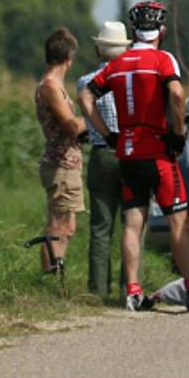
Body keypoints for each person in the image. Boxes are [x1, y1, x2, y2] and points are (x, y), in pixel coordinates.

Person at [80, 0, 189, 312]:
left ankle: (133, 292)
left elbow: (85, 95)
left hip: (128, 152)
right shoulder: (163, 59)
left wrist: (108, 134)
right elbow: (176, 93)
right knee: (180, 222)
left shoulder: (118, 64)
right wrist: (178, 132)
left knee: (132, 223)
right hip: (159, 151)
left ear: (134, 30)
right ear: (161, 31)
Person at [76, 20, 132, 297]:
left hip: (101, 152)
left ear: (99, 49)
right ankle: (129, 285)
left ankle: (97, 288)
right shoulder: (131, 80)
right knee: (132, 224)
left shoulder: (85, 81)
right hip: (132, 151)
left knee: (101, 226)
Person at [34, 27, 87, 273]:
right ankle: (50, 274)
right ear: (69, 57)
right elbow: (70, 125)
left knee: (68, 225)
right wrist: (92, 116)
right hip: (60, 164)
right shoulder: (51, 87)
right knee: (58, 225)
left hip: (67, 163)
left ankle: (56, 270)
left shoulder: (54, 85)